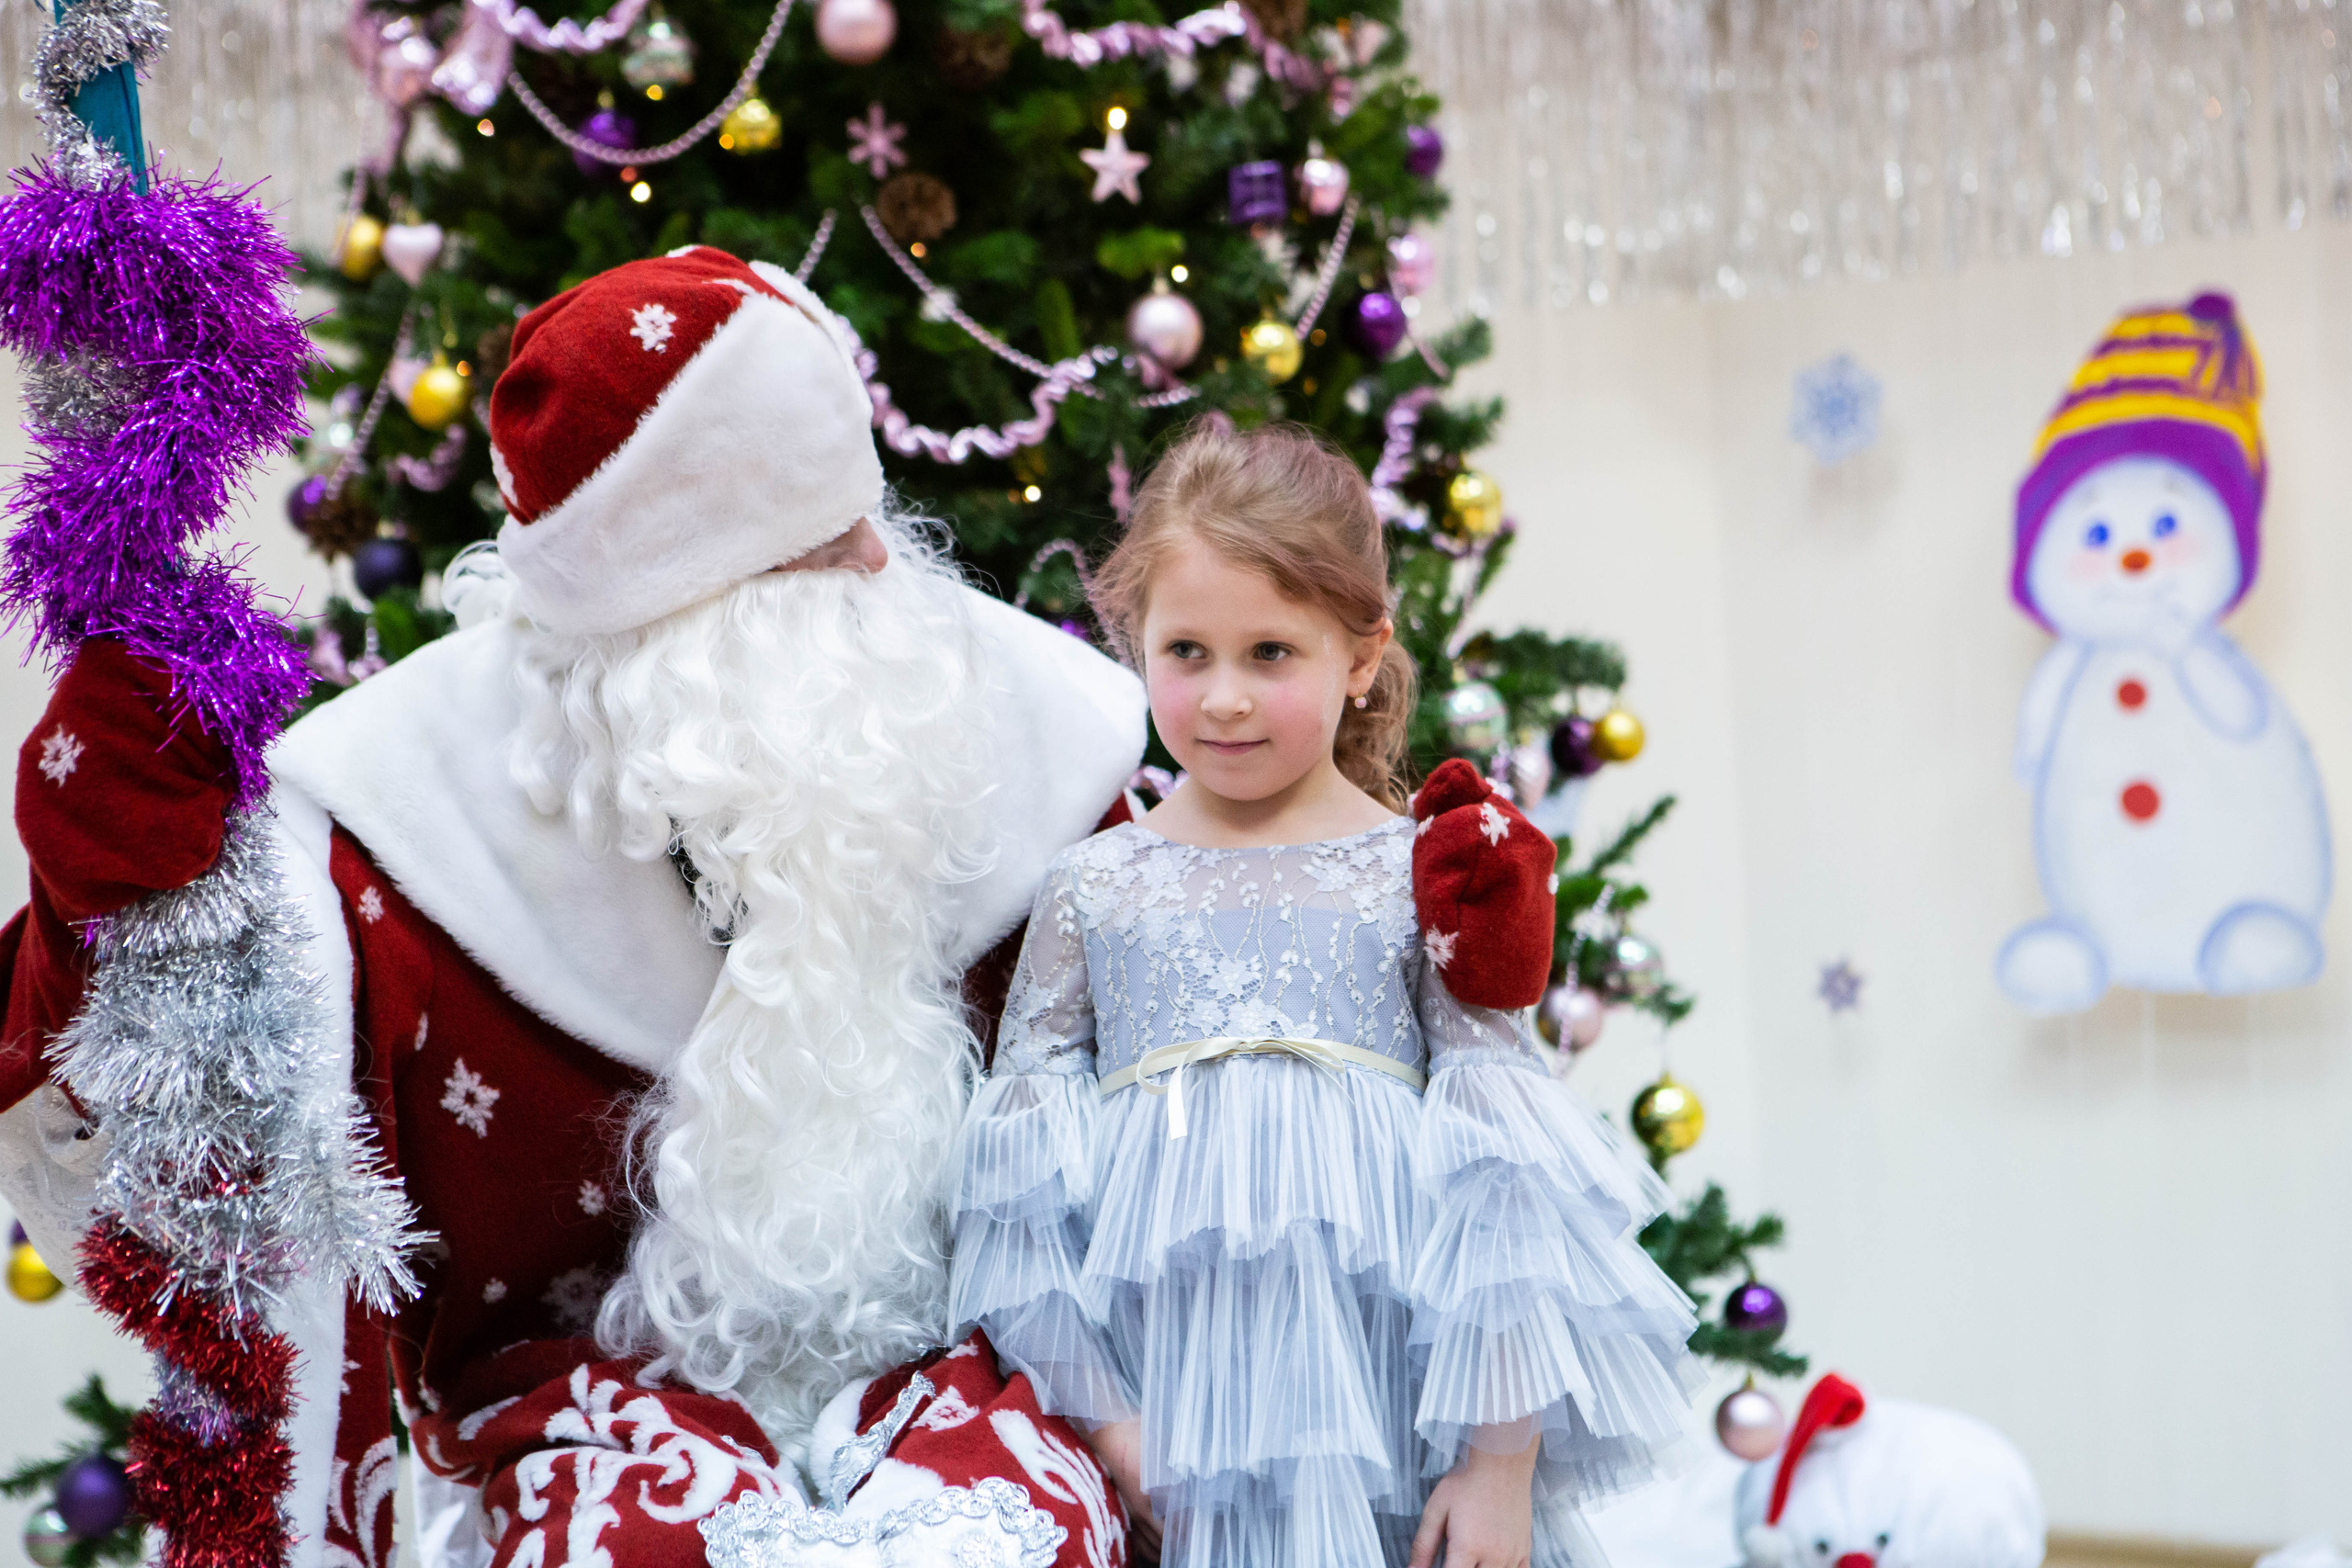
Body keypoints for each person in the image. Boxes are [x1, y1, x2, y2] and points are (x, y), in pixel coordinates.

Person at [0, 247, 1146, 1566]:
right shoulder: (400, 828)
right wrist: (116, 913)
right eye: (829, 551)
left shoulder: (1027, 734)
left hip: (979, 1378)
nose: (885, 559)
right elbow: (187, 1188)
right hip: (583, 1418)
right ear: (684, 617)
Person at [945, 423, 1700, 1568]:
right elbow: (1020, 1197)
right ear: (1133, 643)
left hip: (1391, 1412)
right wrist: (1107, 1424)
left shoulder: (1415, 875)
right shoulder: (1094, 889)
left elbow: (1506, 1187)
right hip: (1164, 1413)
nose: (1224, 698)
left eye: (1271, 654)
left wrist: (1498, 1467)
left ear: (1359, 657)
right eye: (1185, 651)